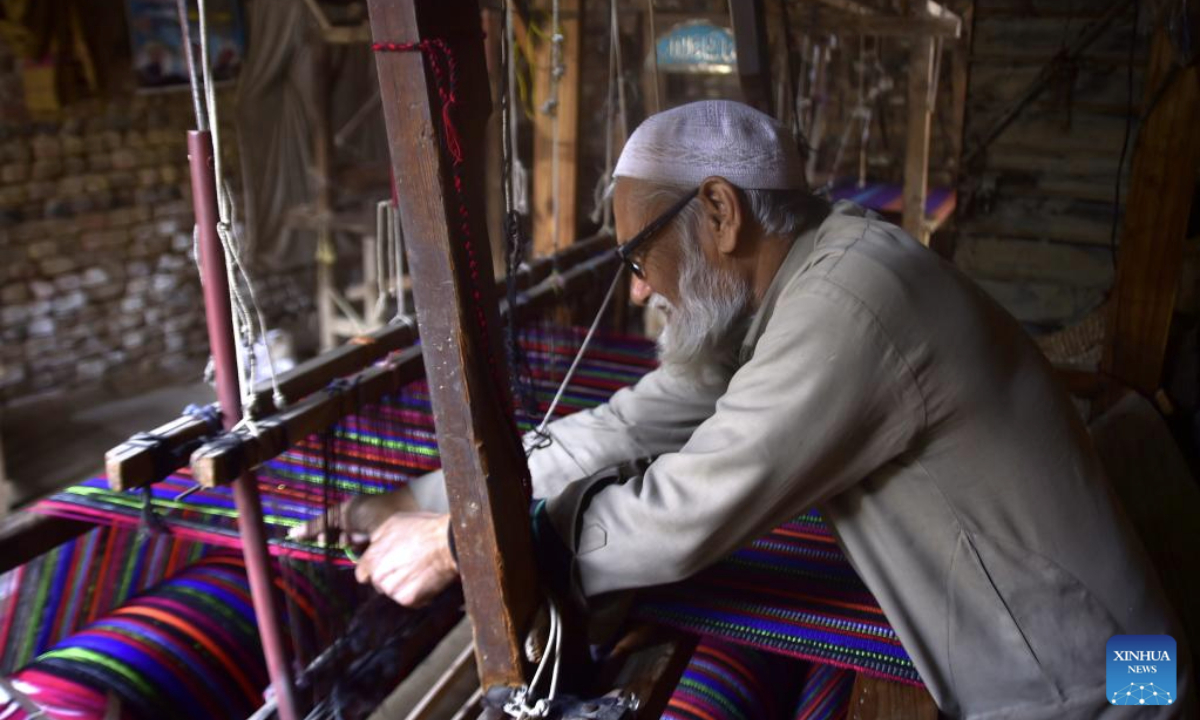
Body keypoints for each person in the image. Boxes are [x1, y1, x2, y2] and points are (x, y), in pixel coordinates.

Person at [295, 100, 1192, 718]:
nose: (641, 290)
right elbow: (630, 426)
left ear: (719, 212)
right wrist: (415, 504)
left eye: (638, 256)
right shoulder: (786, 298)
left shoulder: (853, 303)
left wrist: (466, 547)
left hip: (1117, 686)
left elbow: (681, 517)